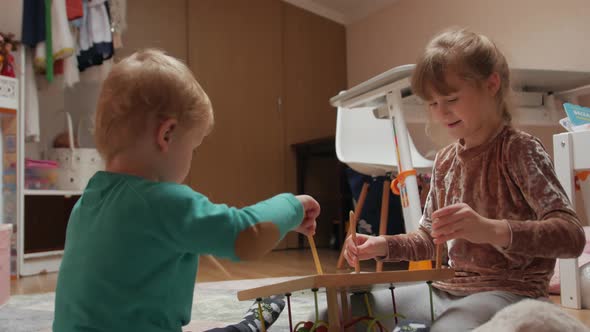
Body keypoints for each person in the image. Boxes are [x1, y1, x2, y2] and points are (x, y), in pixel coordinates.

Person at [53, 49, 321, 332]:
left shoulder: (88, 201)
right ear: (166, 135)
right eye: (193, 147)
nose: (192, 158)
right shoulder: (162, 201)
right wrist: (293, 206)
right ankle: (251, 326)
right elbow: (246, 235)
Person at [341, 28, 585, 331]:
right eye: (432, 103)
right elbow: (429, 240)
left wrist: (489, 230)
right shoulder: (445, 161)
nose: (441, 112)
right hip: (448, 290)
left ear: (491, 84)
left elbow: (571, 237)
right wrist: (381, 245)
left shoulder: (519, 150)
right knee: (343, 311)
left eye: (451, 98)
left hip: (509, 294)